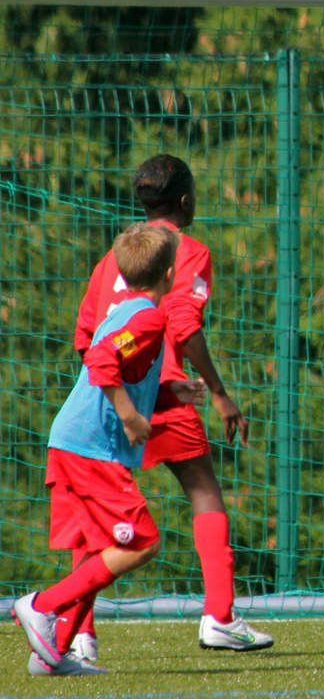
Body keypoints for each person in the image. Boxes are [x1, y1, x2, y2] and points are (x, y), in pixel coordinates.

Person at [73, 154, 273, 655]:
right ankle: (219, 616)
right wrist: (221, 394)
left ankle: (77, 631)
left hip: (107, 398)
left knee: (93, 516)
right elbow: (185, 326)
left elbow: (85, 336)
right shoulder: (188, 249)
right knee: (204, 489)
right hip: (162, 391)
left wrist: (115, 390)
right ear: (186, 201)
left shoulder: (111, 258)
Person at [14, 223, 206, 676]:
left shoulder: (122, 312)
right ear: (171, 273)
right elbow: (101, 363)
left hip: (73, 443)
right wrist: (130, 416)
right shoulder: (148, 317)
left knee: (98, 546)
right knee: (143, 542)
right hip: (89, 448)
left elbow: (117, 369)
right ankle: (42, 605)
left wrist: (168, 393)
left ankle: (54, 653)